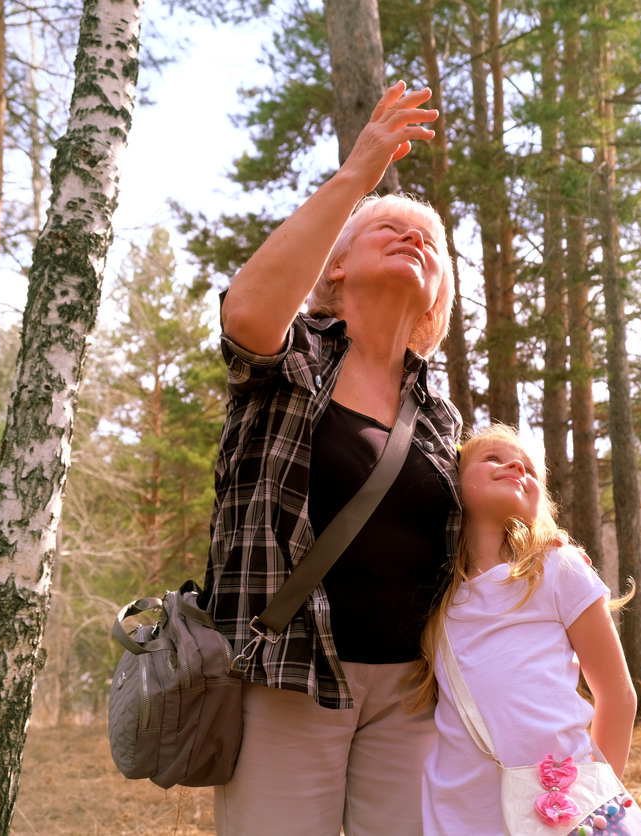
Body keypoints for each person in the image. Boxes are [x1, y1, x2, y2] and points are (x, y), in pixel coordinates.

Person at [202, 81, 461, 836]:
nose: (416, 239)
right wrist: (358, 179)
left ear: (437, 300)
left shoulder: (442, 418)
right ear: (335, 267)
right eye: (389, 228)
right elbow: (247, 311)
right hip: (290, 676)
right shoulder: (293, 362)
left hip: (412, 694)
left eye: (432, 244)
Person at [413, 424, 641, 836]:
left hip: (565, 812)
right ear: (454, 481)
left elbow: (618, 696)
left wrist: (590, 801)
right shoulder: (434, 598)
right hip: (464, 810)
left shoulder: (559, 569)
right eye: (492, 458)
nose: (514, 466)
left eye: (528, 468)